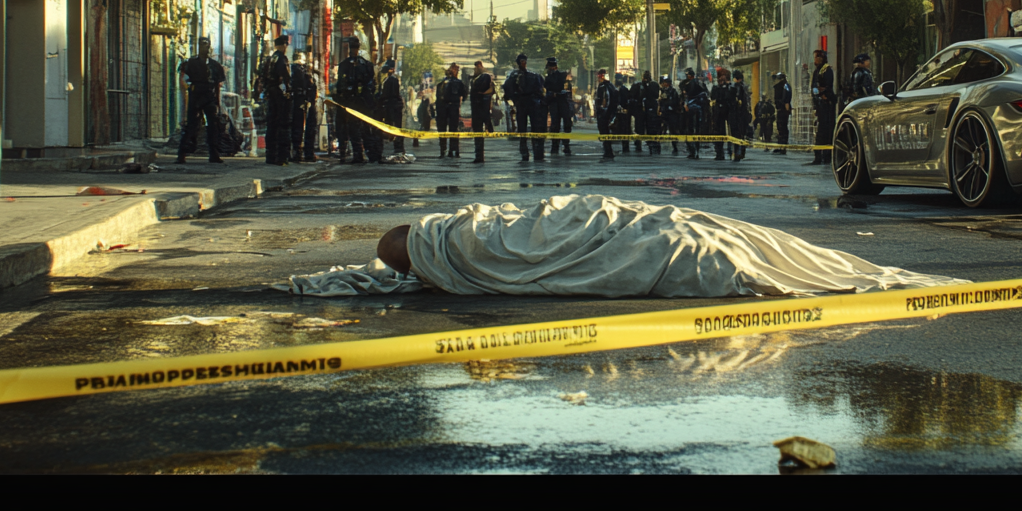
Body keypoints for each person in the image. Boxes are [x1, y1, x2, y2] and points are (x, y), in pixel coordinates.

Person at [371, 194, 970, 298]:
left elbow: (561, 224)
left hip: (615, 225)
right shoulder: (473, 242)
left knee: (736, 243)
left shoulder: (475, 235)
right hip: (643, 236)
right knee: (726, 248)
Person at [175, 37, 226, 164]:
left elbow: (217, 85)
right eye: (203, 45)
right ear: (198, 47)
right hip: (196, 95)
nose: (205, 48)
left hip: (210, 97)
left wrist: (218, 103)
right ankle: (182, 154)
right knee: (191, 126)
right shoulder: (191, 63)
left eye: (207, 45)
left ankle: (214, 154)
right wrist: (187, 99)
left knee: (213, 127)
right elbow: (184, 80)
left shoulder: (215, 66)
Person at [335, 36, 382, 165]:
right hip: (352, 103)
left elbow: (371, 85)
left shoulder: (365, 65)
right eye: (352, 48)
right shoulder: (346, 65)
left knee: (363, 129)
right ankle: (360, 154)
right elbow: (340, 86)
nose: (353, 50)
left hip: (361, 103)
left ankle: (370, 154)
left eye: (355, 48)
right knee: (354, 130)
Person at [504, 53, 548, 162]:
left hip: (529, 104)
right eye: (521, 61)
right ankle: (527, 153)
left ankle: (535, 152)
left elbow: (541, 89)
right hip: (524, 104)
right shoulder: (515, 76)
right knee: (523, 130)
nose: (523, 63)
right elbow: (508, 90)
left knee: (533, 130)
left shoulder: (530, 75)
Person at [807, 50, 836, 166]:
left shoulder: (826, 70)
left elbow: (827, 87)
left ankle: (826, 157)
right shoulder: (817, 71)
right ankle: (818, 156)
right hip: (819, 105)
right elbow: (814, 86)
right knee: (819, 130)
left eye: (816, 57)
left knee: (827, 130)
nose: (815, 60)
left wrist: (823, 94)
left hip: (826, 105)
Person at [289, 51, 319, 163]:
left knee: (296, 128)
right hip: (304, 103)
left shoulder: (291, 70)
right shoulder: (302, 72)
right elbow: (310, 87)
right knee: (305, 129)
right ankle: (306, 153)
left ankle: (297, 152)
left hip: (298, 103)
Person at [434, 62, 467, 159]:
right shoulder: (457, 83)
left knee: (445, 130)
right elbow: (464, 95)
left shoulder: (441, 84)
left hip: (443, 109)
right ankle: (452, 150)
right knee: (452, 130)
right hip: (451, 108)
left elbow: (438, 97)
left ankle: (445, 150)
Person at [544, 57, 574, 157]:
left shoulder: (560, 76)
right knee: (558, 125)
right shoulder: (552, 77)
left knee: (562, 125)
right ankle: (560, 145)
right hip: (558, 103)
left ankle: (561, 145)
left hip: (561, 102)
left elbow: (565, 90)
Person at [379, 58, 407, 162]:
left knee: (395, 126)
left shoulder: (391, 80)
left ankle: (398, 148)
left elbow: (389, 94)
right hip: (392, 106)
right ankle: (398, 147)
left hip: (392, 107)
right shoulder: (390, 79)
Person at [470, 60, 496, 164]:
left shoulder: (484, 76)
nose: (475, 69)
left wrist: (487, 121)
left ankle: (479, 157)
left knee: (479, 134)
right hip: (477, 110)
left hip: (480, 110)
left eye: (476, 67)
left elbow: (483, 92)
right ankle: (478, 156)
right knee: (477, 135)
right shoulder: (477, 78)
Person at [680, 67, 708, 160]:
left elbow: (685, 96)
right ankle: (693, 151)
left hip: (693, 110)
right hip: (697, 110)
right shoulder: (698, 83)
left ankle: (694, 151)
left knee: (691, 130)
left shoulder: (692, 84)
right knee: (694, 130)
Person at [592, 69, 619, 161]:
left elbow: (605, 100)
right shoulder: (611, 86)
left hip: (604, 114)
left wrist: (602, 112)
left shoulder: (604, 87)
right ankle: (608, 151)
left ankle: (608, 151)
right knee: (606, 133)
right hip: (609, 113)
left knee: (604, 132)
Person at [709, 68, 735, 161]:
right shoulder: (716, 88)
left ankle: (732, 152)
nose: (722, 79)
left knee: (731, 132)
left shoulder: (730, 87)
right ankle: (719, 152)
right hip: (718, 112)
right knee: (718, 132)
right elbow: (713, 98)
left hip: (728, 111)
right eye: (720, 76)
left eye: (724, 76)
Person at [730, 68, 751, 162]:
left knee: (736, 135)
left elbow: (737, 101)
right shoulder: (745, 87)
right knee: (742, 135)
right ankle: (741, 152)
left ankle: (737, 153)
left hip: (738, 115)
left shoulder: (737, 87)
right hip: (744, 115)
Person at [658, 74, 682, 155]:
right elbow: (661, 102)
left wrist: (668, 101)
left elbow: (676, 102)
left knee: (673, 130)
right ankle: (657, 146)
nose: (664, 84)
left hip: (672, 113)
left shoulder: (673, 91)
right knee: (660, 129)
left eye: (665, 82)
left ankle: (675, 146)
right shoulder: (663, 91)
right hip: (664, 113)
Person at [772, 72, 792, 155]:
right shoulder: (782, 86)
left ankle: (783, 147)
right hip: (780, 109)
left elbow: (786, 97)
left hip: (783, 109)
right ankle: (780, 146)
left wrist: (786, 106)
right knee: (780, 128)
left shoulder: (784, 86)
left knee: (782, 127)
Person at [612, 77, 633, 154]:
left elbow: (619, 101)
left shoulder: (620, 91)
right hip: (625, 113)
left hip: (623, 113)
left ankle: (625, 146)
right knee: (625, 130)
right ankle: (625, 146)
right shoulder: (624, 90)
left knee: (623, 129)